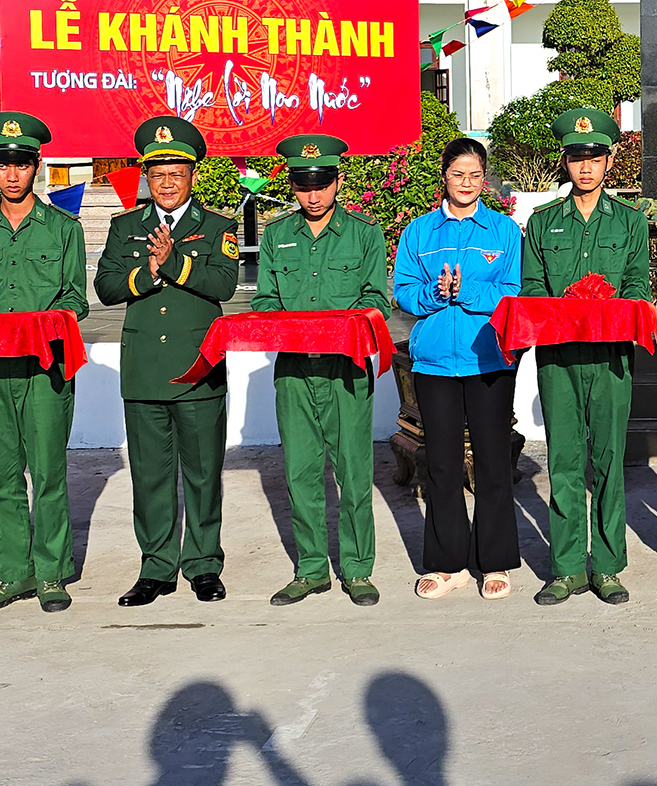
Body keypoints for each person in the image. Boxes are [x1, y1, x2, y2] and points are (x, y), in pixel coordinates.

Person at [93, 117, 241, 607]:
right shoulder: (124, 227)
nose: (167, 183)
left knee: (202, 474)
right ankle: (156, 567)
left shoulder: (217, 227)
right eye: (157, 175)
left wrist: (175, 264)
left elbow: (222, 285)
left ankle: (202, 564)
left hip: (198, 368)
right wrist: (146, 273)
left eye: (176, 172)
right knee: (150, 476)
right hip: (144, 373)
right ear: (145, 178)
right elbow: (107, 288)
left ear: (193, 174)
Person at [0, 112, 91, 614]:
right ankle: (14, 575)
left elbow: (76, 299)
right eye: (3, 164)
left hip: (45, 367)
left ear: (37, 167)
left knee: (49, 471)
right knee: (1, 476)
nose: (13, 174)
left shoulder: (62, 228)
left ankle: (52, 574)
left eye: (23, 165)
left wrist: (44, 322)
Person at [520, 106, 652, 606]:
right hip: (559, 356)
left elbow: (639, 286)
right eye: (577, 158)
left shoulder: (630, 222)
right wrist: (568, 306)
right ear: (565, 161)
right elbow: (532, 288)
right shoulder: (543, 222)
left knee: (609, 459)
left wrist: (607, 303)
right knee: (566, 460)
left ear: (610, 159)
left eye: (595, 157)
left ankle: (610, 566)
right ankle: (568, 566)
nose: (586, 168)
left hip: (611, 355)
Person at [254, 134, 391, 608]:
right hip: (293, 371)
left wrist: (338, 326)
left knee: (354, 474)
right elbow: (265, 301)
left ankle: (357, 570)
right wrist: (289, 324)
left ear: (337, 181)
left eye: (321, 183)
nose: (312, 195)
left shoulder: (365, 234)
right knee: (301, 473)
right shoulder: (276, 235)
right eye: (302, 184)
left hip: (347, 369)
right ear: (293, 185)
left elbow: (377, 300)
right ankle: (311, 569)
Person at [392, 137, 523, 601]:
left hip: (488, 358)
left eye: (474, 175)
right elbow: (403, 290)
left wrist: (466, 292)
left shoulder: (503, 231)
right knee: (442, 463)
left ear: (484, 179)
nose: (466, 183)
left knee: (492, 462)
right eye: (456, 174)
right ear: (443, 177)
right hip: (434, 364)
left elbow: (513, 293)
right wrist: (433, 296)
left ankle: (495, 561)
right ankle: (448, 564)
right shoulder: (419, 232)